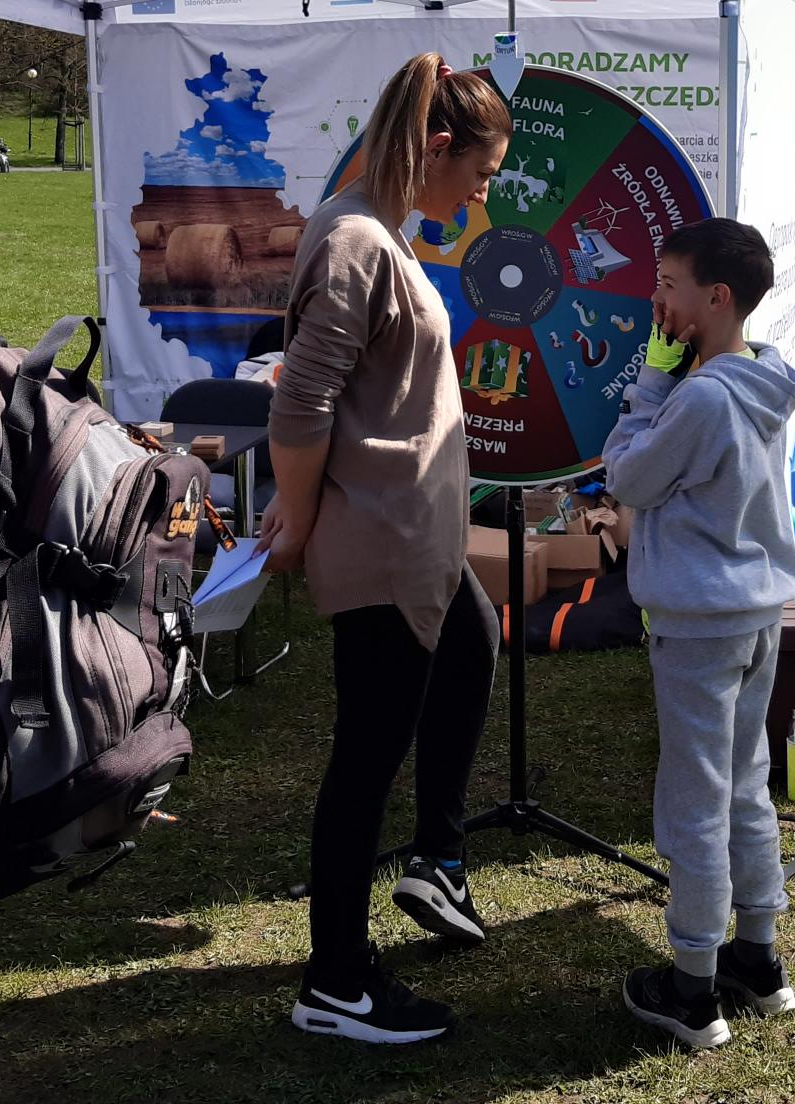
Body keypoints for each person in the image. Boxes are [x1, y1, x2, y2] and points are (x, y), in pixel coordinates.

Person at [259, 51, 510, 1046]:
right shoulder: (359, 240)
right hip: (383, 546)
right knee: (365, 761)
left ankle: (436, 861)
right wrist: (301, 519)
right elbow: (300, 401)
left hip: (414, 542)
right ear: (436, 148)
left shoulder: (379, 231)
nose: (480, 200)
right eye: (479, 179)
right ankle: (336, 980)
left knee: (477, 644)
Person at [601, 217, 795, 1050]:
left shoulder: (696, 396)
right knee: (743, 781)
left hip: (697, 626)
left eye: (668, 284)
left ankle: (692, 988)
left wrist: (648, 383)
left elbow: (628, 476)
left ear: (715, 298)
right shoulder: (765, 379)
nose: (656, 299)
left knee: (692, 800)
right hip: (756, 615)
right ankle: (756, 957)